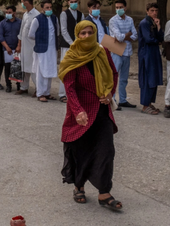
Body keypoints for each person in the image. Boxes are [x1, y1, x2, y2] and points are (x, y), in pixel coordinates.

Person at [59, 21, 121, 211]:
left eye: (89, 33)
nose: (86, 37)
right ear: (77, 35)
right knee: (81, 150)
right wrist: (78, 110)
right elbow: (69, 87)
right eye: (82, 33)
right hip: (82, 111)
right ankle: (79, 185)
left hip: (102, 109)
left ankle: (104, 192)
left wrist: (110, 93)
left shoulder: (102, 51)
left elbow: (113, 73)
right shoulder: (72, 56)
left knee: (106, 150)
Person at [108, 0, 138, 110]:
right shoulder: (113, 20)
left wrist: (124, 36)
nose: (118, 9)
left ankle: (123, 100)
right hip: (116, 51)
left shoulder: (130, 19)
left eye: (120, 7)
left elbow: (135, 35)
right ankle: (112, 100)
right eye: (117, 7)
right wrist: (128, 35)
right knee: (114, 76)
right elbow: (118, 37)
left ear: (125, 7)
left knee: (124, 78)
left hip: (127, 51)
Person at [28, 0, 60, 102]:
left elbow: (57, 32)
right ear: (42, 8)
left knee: (49, 71)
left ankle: (47, 92)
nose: (49, 9)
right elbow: (31, 35)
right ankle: (40, 93)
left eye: (50, 7)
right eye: (47, 8)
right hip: (41, 49)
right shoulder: (37, 19)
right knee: (41, 71)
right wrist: (41, 39)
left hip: (52, 49)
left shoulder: (54, 18)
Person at [137, 3, 164, 115]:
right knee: (147, 78)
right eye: (152, 10)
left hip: (154, 53)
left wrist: (158, 27)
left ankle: (149, 102)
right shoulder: (144, 23)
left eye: (156, 10)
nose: (154, 13)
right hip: (146, 53)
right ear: (147, 11)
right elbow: (149, 39)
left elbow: (161, 37)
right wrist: (157, 41)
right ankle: (145, 105)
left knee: (154, 77)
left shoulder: (154, 22)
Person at [59, 0, 85, 101]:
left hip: (78, 46)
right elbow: (64, 30)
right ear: (68, 2)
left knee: (77, 70)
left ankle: (74, 93)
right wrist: (72, 43)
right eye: (71, 1)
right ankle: (62, 94)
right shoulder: (64, 14)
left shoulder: (81, 14)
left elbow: (83, 29)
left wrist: (79, 43)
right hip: (67, 46)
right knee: (66, 69)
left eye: (75, 1)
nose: (74, 3)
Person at [16, 0, 39, 95]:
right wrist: (19, 44)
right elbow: (21, 31)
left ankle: (38, 88)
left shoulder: (36, 15)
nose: (22, 4)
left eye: (22, 1)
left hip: (32, 47)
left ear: (26, 2)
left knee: (32, 68)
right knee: (24, 67)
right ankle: (24, 87)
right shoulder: (25, 14)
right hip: (24, 47)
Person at [0, 5, 22, 92]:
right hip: (7, 49)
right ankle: (8, 85)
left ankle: (19, 85)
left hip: (17, 49)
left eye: (10, 12)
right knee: (7, 68)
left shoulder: (19, 22)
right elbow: (1, 37)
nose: (8, 14)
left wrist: (19, 46)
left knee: (18, 68)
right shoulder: (2, 23)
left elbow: (21, 35)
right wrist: (7, 47)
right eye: (6, 12)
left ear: (14, 13)